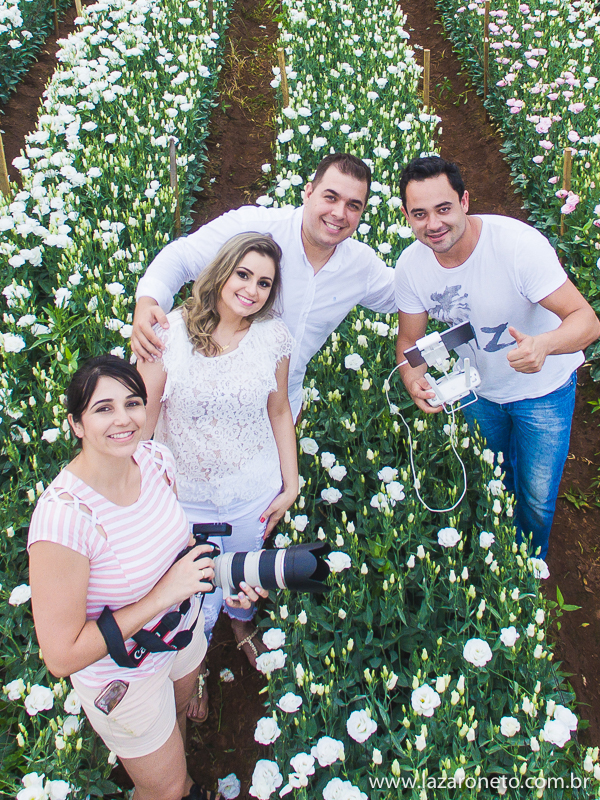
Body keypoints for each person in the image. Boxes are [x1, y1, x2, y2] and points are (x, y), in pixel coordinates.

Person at [28, 356, 265, 800]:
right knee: (168, 789)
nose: (123, 419)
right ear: (75, 424)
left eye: (133, 403)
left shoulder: (156, 460)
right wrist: (161, 598)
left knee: (175, 716)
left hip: (182, 637)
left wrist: (232, 579)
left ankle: (172, 745)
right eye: (103, 408)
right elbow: (61, 657)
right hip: (124, 675)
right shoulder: (64, 519)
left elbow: (172, 556)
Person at [394, 155, 600, 560]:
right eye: (420, 214)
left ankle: (529, 566)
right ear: (406, 216)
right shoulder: (411, 267)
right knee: (494, 477)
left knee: (537, 495)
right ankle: (502, 555)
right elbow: (408, 340)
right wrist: (410, 376)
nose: (433, 224)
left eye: (443, 209)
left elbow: (587, 322)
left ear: (465, 201)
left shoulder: (518, 247)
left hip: (543, 390)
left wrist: (543, 345)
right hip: (479, 392)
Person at [137, 232, 298, 724]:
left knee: (245, 571)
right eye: (243, 275)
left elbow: (278, 410)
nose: (251, 290)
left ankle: (242, 626)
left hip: (252, 489)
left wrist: (290, 484)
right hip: (184, 497)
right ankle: (196, 658)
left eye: (264, 283)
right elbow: (142, 422)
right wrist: (142, 497)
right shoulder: (168, 335)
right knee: (191, 586)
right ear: (222, 272)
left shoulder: (273, 337)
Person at [131, 152, 397, 421]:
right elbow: (183, 258)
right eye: (331, 197)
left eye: (353, 205)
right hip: (209, 401)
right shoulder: (255, 227)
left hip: (280, 407)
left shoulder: (361, 266)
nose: (339, 213)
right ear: (308, 192)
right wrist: (148, 301)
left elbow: (404, 295)